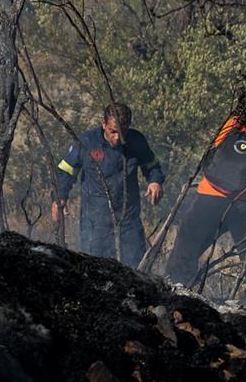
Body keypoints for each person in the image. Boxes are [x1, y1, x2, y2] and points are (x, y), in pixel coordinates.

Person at [162, 96, 246, 308]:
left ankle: (170, 298)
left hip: (208, 195)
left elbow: (213, 152)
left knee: (185, 250)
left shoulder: (236, 122)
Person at [52, 103, 165, 267]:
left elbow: (153, 166)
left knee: (136, 269)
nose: (118, 138)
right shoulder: (87, 142)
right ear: (103, 124)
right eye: (113, 132)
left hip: (129, 219)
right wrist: (60, 197)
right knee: (93, 268)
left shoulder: (137, 141)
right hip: (95, 222)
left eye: (123, 132)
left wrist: (155, 181)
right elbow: (65, 171)